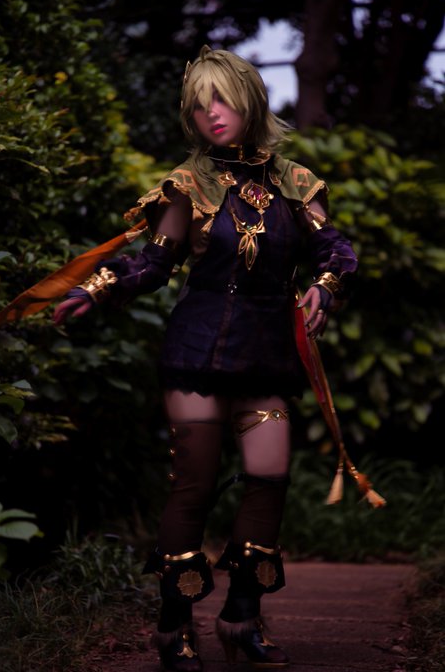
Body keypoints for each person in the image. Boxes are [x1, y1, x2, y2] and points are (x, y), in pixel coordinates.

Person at [53, 45, 358, 671]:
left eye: (222, 99)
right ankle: (174, 628)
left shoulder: (296, 182)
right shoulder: (188, 184)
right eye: (198, 105)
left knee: (269, 477)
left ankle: (241, 617)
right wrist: (95, 289)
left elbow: (335, 249)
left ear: (249, 100)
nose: (211, 113)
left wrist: (325, 287)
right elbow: (153, 263)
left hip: (266, 353)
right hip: (197, 350)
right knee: (192, 484)